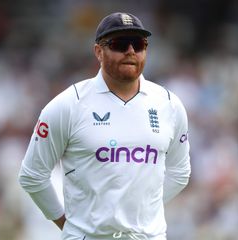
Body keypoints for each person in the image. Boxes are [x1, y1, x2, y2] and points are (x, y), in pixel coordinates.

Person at [18, 12, 191, 240]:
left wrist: (141, 213)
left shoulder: (169, 104)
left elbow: (180, 173)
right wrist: (67, 224)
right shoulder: (68, 105)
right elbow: (32, 176)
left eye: (138, 44)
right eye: (119, 44)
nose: (130, 51)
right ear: (98, 51)